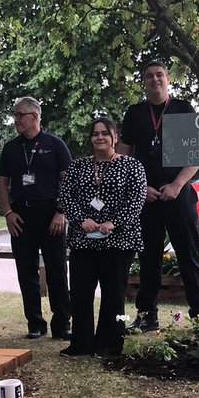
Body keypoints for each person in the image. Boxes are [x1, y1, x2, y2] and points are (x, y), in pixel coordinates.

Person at [117, 58, 199, 330]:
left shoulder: (183, 109)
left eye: (159, 75)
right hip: (146, 197)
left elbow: (197, 153)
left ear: (168, 79)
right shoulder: (134, 113)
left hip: (179, 194)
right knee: (148, 258)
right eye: (149, 76)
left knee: (188, 255)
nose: (154, 79)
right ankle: (146, 316)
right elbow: (122, 155)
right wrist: (140, 188)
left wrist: (177, 184)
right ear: (143, 82)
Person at [58, 117, 146, 357]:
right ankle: (81, 344)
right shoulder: (77, 166)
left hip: (119, 241)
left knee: (114, 295)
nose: (99, 137)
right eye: (95, 133)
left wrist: (113, 223)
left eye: (105, 133)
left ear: (115, 137)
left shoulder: (132, 166)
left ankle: (110, 344)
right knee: (80, 293)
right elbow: (66, 196)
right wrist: (80, 220)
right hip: (83, 240)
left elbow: (136, 200)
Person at [0, 97, 73, 340]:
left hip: (51, 214)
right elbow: (2, 183)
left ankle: (62, 324)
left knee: (57, 270)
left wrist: (61, 212)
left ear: (35, 117)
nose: (16, 119)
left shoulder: (56, 145)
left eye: (20, 115)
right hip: (21, 216)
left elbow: (69, 182)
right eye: (15, 115)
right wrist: (8, 212)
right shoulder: (10, 148)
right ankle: (35, 324)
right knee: (25, 271)